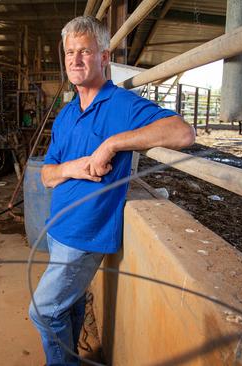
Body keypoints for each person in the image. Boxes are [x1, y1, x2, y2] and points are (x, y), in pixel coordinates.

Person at [28, 16, 195, 366]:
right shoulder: (66, 113)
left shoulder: (122, 105)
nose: (75, 59)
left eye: (84, 51)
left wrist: (113, 144)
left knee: (42, 311)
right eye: (69, 52)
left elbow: (182, 133)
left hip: (84, 236)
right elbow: (46, 176)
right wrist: (74, 167)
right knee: (67, 307)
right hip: (57, 228)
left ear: (104, 57)